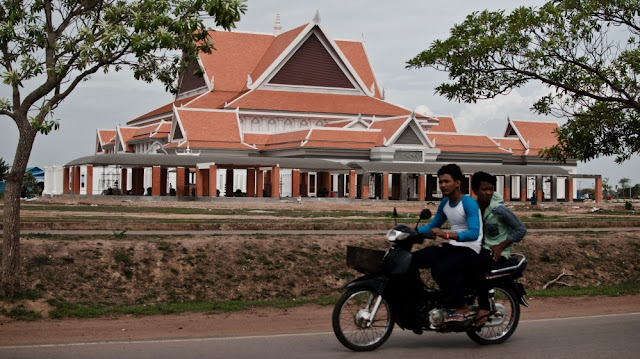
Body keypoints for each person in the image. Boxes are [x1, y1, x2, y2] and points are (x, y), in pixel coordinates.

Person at [412, 164, 483, 323]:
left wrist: (446, 234)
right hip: (453, 247)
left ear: (458, 183)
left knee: (439, 269)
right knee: (412, 259)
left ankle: (462, 306)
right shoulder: (445, 203)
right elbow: (432, 226)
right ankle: (422, 299)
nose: (442, 185)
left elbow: (473, 233)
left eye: (446, 181)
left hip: (470, 249)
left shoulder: (468, 203)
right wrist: (411, 231)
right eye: (440, 182)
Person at [470, 171, 527, 326]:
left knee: (476, 266)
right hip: (480, 248)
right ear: (475, 190)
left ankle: (484, 307)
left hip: (498, 251)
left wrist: (501, 245)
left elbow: (521, 230)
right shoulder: (473, 207)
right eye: (484, 189)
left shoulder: (499, 210)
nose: (488, 193)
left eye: (491, 189)